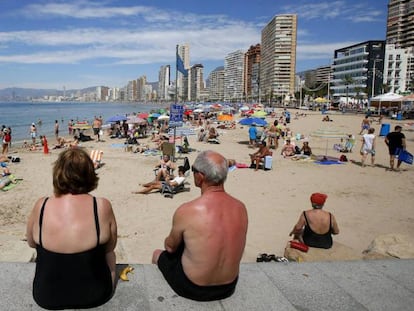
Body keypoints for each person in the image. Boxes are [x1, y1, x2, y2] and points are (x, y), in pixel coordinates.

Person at [26, 148, 117, 309]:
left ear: (58, 173)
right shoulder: (101, 206)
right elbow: (110, 247)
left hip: (46, 296)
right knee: (110, 254)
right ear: (90, 173)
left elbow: (32, 243)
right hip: (96, 295)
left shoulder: (42, 205)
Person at [152, 150, 248, 301]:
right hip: (229, 286)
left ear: (200, 176)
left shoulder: (188, 210)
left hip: (194, 287)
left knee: (158, 254)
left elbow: (170, 248)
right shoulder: (241, 208)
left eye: (193, 170)